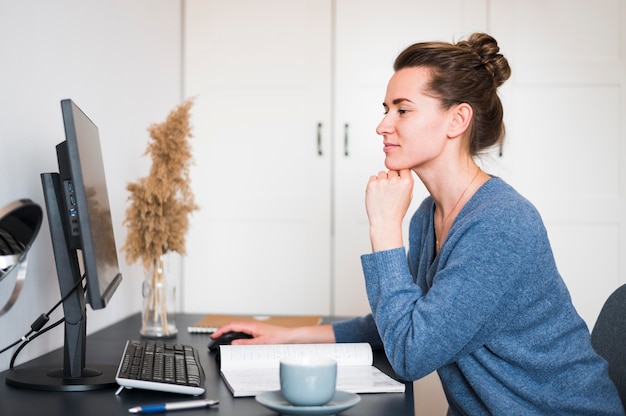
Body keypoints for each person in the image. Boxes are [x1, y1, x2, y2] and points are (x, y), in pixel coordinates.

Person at [212, 33, 624, 415]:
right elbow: (404, 321)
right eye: (386, 109)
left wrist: (384, 229)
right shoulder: (429, 215)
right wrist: (286, 335)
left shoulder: (501, 223)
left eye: (403, 110)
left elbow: (411, 353)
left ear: (457, 120)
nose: (382, 125)